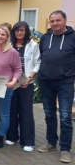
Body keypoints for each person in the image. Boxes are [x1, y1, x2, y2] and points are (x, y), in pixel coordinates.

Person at [37, 10, 75, 163]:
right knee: (49, 114)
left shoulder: (73, 37)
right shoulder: (45, 38)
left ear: (65, 21)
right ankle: (51, 142)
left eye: (58, 20)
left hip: (65, 82)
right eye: (52, 21)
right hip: (46, 82)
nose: (55, 23)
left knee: (65, 116)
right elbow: (41, 56)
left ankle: (65, 148)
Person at [6, 21, 40, 152]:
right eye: (16, 30)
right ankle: (12, 136)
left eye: (22, 30)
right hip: (12, 82)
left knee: (26, 111)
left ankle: (28, 141)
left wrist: (30, 77)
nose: (19, 33)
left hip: (27, 82)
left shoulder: (33, 45)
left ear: (26, 32)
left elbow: (37, 62)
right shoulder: (9, 45)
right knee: (12, 110)